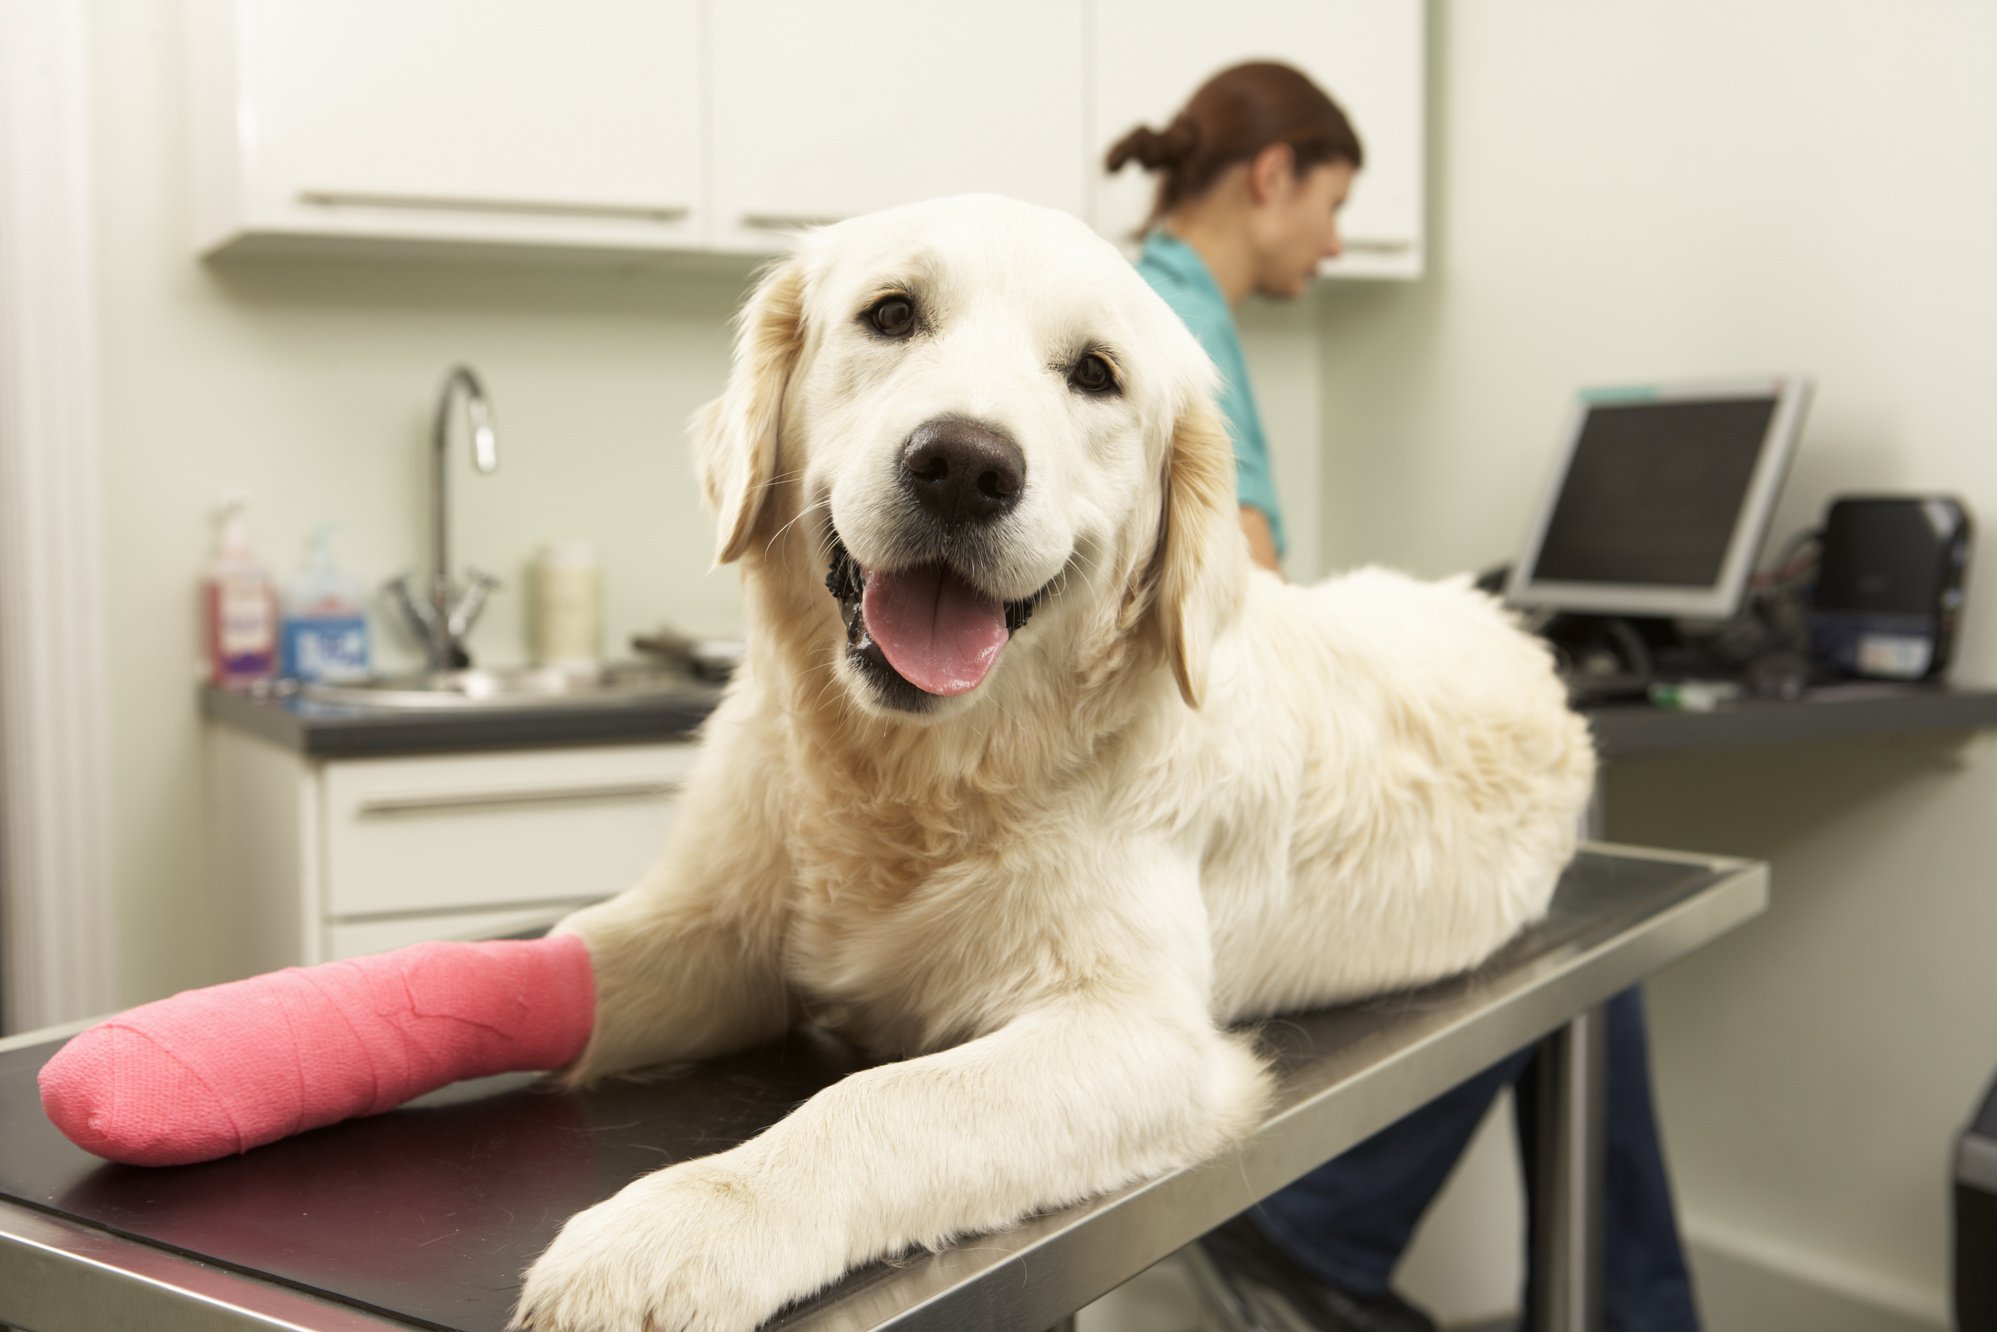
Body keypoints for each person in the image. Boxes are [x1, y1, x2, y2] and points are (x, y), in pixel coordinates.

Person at [1107, 62, 1701, 1332]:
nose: (1332, 241)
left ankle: (1371, 1241)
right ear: (1271, 177)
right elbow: (1237, 621)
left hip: (1152, 801)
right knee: (1551, 855)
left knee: (1550, 876)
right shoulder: (1173, 332)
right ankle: (1323, 1230)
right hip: (1168, 827)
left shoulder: (1147, 303)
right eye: (1329, 203)